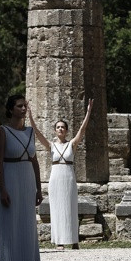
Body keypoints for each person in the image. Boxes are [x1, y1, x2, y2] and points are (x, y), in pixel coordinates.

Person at [0, 95, 45, 261]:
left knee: (27, 225)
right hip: (11, 180)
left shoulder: (31, 132)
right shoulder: (3, 131)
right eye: (19, 106)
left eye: (25, 106)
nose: (23, 109)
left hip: (27, 181)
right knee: (11, 225)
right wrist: (3, 188)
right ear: (11, 109)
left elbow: (35, 162)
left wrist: (39, 189)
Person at [29, 100, 93, 249]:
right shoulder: (51, 145)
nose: (60, 129)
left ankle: (74, 240)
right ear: (55, 130)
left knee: (71, 207)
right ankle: (60, 241)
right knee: (57, 208)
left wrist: (88, 112)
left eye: (63, 127)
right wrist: (31, 117)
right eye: (58, 127)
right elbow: (37, 133)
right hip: (56, 177)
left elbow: (82, 130)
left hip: (69, 176)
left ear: (66, 130)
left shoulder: (72, 144)